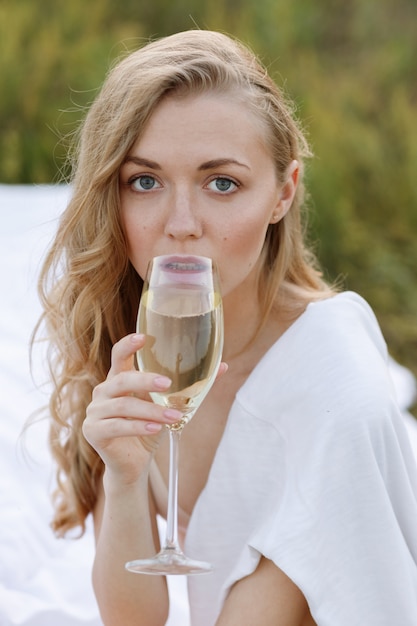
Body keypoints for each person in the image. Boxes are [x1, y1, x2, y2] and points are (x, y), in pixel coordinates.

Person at [34, 29, 417, 626]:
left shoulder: (332, 378)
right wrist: (126, 477)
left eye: (222, 183)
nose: (181, 223)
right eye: (145, 181)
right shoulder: (133, 342)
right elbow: (134, 619)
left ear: (282, 194)